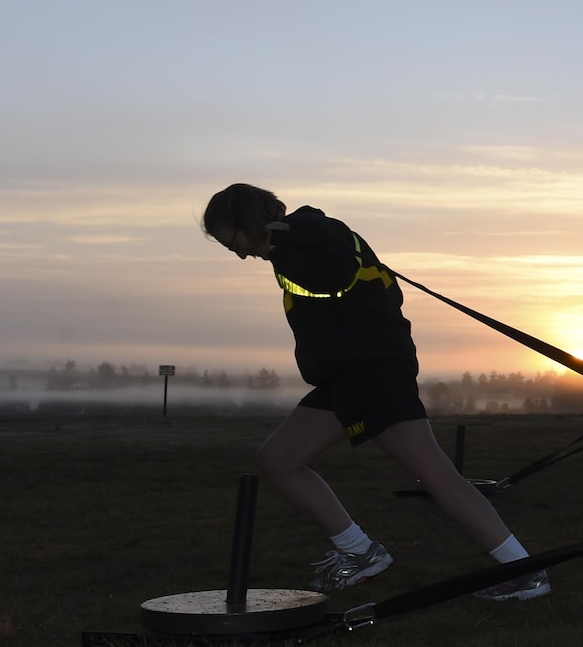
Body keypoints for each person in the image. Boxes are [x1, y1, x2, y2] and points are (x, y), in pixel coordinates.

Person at [202, 184, 548, 601]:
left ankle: (526, 571)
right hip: (345, 377)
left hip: (374, 373)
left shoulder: (310, 237)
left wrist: (281, 244)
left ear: (246, 223)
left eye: (233, 242)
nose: (238, 254)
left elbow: (335, 273)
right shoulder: (296, 243)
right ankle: (359, 551)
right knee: (278, 459)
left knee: (436, 473)